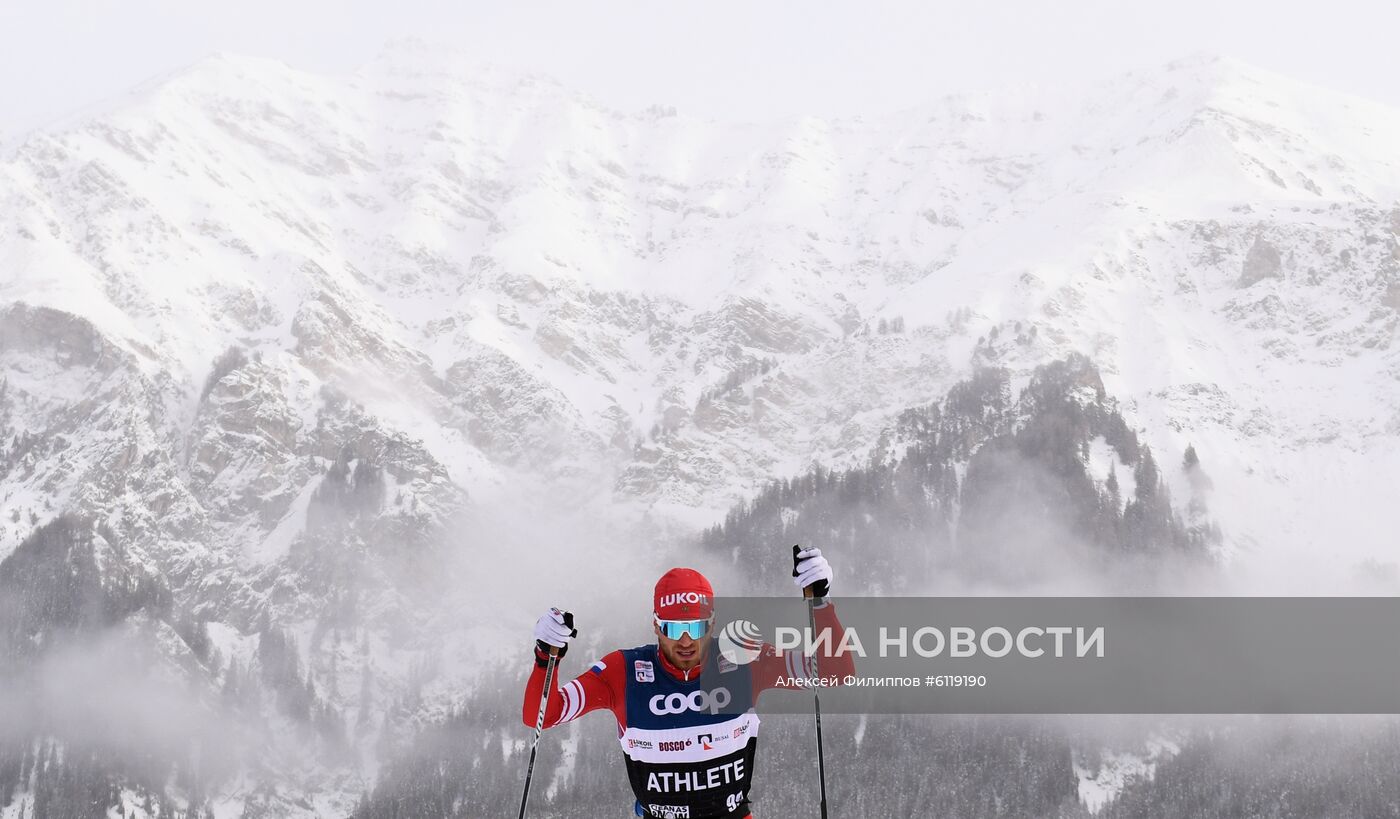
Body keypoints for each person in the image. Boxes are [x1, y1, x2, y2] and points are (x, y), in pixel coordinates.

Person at [522, 547, 855, 819]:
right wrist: (545, 657)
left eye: (695, 628)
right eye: (671, 628)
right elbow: (543, 714)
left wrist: (820, 603)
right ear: (655, 626)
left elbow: (836, 670)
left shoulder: (743, 660)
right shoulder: (623, 671)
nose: (685, 641)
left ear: (711, 625)